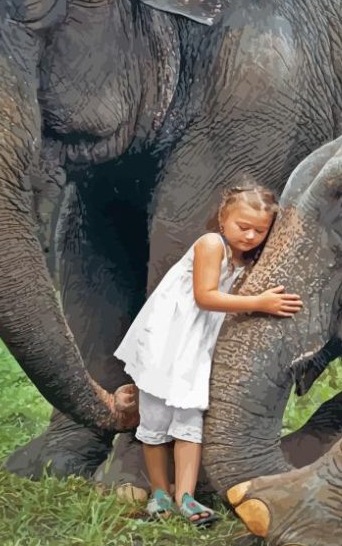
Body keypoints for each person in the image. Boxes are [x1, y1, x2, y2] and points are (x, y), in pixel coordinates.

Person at [113, 183, 303, 525]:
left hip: (195, 348)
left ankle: (186, 496)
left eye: (259, 231)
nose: (249, 236)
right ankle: (159, 493)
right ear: (222, 219)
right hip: (168, 342)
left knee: (189, 421)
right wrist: (260, 303)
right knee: (155, 418)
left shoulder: (243, 261)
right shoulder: (210, 244)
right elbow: (205, 296)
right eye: (242, 227)